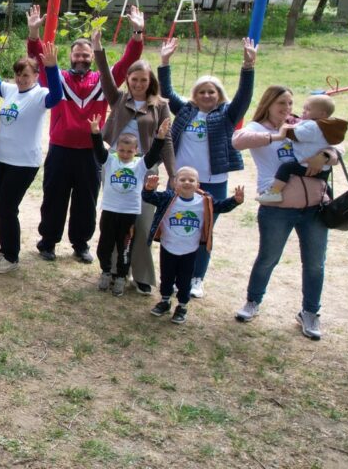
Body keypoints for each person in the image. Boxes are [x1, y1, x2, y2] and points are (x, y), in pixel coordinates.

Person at [27, 5, 144, 263]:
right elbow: (38, 59)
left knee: (87, 200)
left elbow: (126, 64)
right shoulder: (57, 77)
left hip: (91, 152)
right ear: (70, 57)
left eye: (86, 55)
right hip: (60, 148)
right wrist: (34, 33)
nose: (81, 59)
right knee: (54, 198)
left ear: (93, 56)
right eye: (77, 55)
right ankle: (48, 241)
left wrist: (137, 33)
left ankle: (80, 244)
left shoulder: (104, 79)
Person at [232, 86, 343, 340]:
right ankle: (252, 301)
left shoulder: (304, 125)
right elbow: (238, 141)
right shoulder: (259, 128)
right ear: (269, 103)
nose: (288, 109)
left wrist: (325, 155)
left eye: (291, 103)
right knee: (268, 258)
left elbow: (338, 146)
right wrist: (278, 136)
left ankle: (310, 312)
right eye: (282, 103)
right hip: (277, 210)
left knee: (315, 264)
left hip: (315, 207)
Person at [159, 36, 257, 299]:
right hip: (182, 180)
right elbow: (166, 93)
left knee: (203, 231)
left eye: (211, 92)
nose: (206, 95)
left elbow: (244, 97)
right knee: (179, 226)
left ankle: (197, 278)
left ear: (218, 95)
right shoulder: (186, 111)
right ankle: (174, 274)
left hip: (213, 181)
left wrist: (248, 67)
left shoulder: (227, 114)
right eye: (201, 91)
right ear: (195, 95)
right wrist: (165, 62)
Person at [91, 20, 174, 294]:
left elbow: (167, 140)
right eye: (134, 79)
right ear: (128, 80)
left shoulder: (160, 106)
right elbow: (105, 77)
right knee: (114, 218)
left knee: (141, 223)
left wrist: (173, 174)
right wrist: (98, 48)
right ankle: (113, 271)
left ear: (150, 82)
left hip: (145, 165)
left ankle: (140, 274)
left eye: (143, 80)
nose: (138, 84)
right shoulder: (119, 99)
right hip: (116, 163)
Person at [0, 28, 63, 274]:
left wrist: (52, 67)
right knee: (2, 207)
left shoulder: (41, 94)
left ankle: (12, 257)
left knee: (8, 207)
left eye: (26, 75)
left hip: (24, 162)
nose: (21, 79)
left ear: (36, 75)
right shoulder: (10, 90)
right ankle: (5, 247)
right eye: (18, 75)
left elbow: (57, 97)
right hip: (2, 158)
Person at [142, 168, 244, 325]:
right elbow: (148, 197)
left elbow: (220, 207)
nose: (187, 182)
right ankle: (165, 301)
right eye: (182, 179)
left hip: (190, 250)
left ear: (198, 184)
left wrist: (235, 201)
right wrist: (149, 188)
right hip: (168, 247)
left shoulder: (204, 201)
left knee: (185, 280)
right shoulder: (168, 198)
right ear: (174, 183)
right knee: (166, 277)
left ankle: (182, 306)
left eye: (191, 180)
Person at [89, 114, 170, 296]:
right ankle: (106, 272)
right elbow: (99, 151)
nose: (125, 154)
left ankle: (121, 277)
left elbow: (153, 155)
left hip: (129, 213)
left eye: (129, 151)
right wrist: (95, 133)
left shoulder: (140, 165)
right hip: (110, 210)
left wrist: (160, 137)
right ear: (117, 149)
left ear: (136, 151)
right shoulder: (110, 161)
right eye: (122, 150)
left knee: (125, 245)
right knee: (105, 244)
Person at [255, 94, 346, 202]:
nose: (303, 111)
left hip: (307, 165)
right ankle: (328, 200)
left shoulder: (314, 125)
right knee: (324, 187)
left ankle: (274, 192)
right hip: (323, 169)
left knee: (286, 168)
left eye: (308, 109)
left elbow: (298, 135)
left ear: (322, 114)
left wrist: (285, 129)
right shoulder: (327, 127)